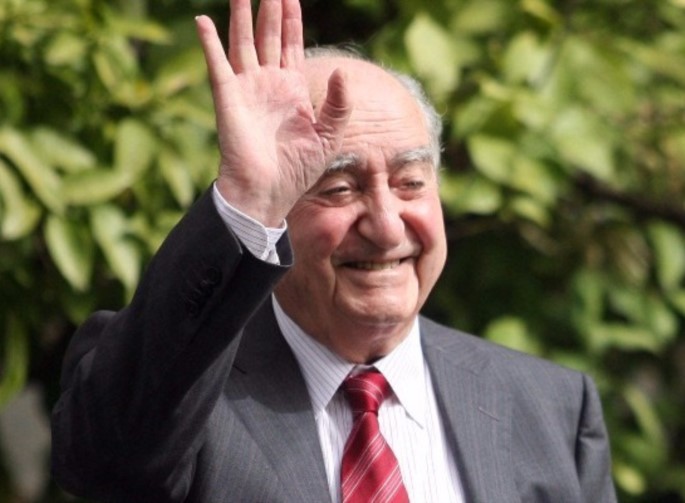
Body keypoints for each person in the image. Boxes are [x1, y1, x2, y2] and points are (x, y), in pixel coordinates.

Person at [50, 0, 617, 501]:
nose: (386, 226)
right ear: (279, 209)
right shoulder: (184, 392)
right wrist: (247, 197)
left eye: (410, 183)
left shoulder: (552, 409)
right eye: (340, 188)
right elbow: (102, 463)